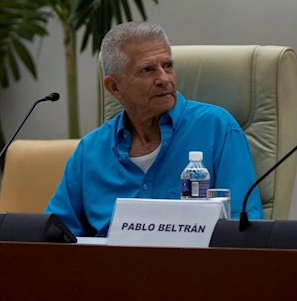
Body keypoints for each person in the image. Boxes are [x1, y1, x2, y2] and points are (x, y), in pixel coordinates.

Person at [45, 21, 263, 237]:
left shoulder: (217, 128)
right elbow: (54, 234)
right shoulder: (91, 151)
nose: (164, 79)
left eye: (167, 65)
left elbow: (243, 228)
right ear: (115, 87)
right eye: (147, 70)